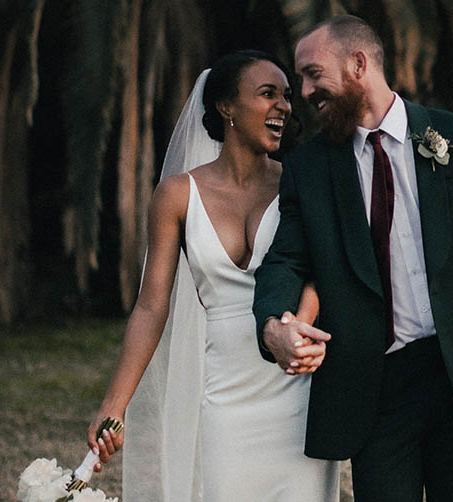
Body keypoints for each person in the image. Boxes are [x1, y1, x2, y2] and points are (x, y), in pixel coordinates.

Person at [253, 15, 453, 502]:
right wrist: (272, 325)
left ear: (359, 63)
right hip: (374, 391)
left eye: (313, 74)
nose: (303, 90)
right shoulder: (310, 167)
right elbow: (285, 260)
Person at [85, 50, 339, 501]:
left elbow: (324, 269)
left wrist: (298, 330)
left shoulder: (299, 181)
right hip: (226, 397)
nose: (283, 105)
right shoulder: (177, 195)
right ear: (226, 106)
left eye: (285, 96)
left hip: (298, 388)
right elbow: (151, 306)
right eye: (267, 94)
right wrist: (114, 405)